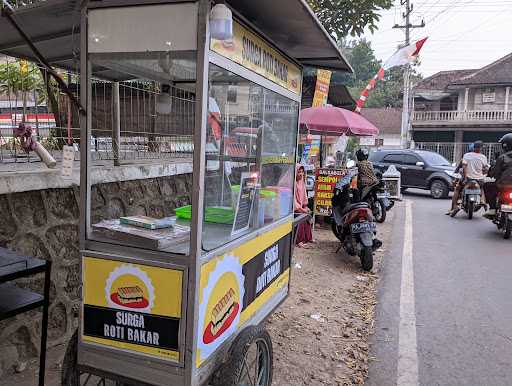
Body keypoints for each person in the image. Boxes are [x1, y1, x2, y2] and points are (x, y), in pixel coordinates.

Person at [447, 141, 489, 216]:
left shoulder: (466, 155)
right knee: (482, 188)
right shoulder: (483, 157)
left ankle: (454, 207)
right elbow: (485, 169)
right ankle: (483, 201)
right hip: (479, 180)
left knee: (457, 189)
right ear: (481, 148)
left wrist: (466, 177)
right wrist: (483, 174)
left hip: (468, 179)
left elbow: (463, 167)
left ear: (473, 148)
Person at [484, 133, 512, 218]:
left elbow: (495, 173)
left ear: (505, 145)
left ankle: (492, 209)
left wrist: (491, 172)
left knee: (487, 186)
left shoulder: (502, 157)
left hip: (504, 185)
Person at [294, 164, 313, 248]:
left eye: (302, 172)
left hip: (300, 207)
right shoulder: (291, 182)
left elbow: (304, 196)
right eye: (299, 172)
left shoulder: (301, 182)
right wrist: (300, 209)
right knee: (300, 218)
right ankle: (299, 241)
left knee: (308, 215)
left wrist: (305, 206)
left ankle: (308, 238)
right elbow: (292, 201)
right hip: (292, 210)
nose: (301, 174)